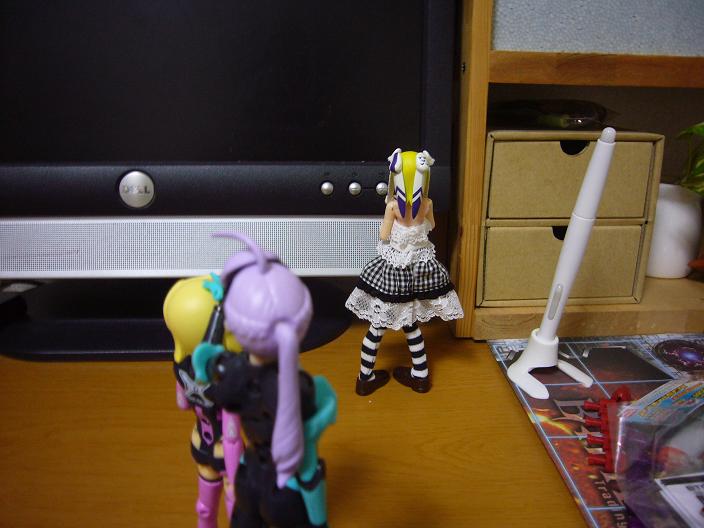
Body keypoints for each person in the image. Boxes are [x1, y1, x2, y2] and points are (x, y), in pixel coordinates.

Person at [193, 232, 336, 528]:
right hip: (287, 489)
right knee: (310, 472)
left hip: (248, 477)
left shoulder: (230, 373)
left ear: (232, 324)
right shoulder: (303, 388)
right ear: (303, 323)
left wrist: (214, 358)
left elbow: (205, 369)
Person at [345, 148, 464, 395]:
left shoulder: (393, 207)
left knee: (377, 325)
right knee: (411, 324)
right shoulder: (427, 204)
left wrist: (398, 236)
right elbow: (432, 226)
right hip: (419, 271)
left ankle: (364, 378)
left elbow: (384, 234)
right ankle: (420, 377)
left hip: (393, 271)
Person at [164, 276, 243, 528]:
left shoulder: (181, 371)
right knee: (234, 499)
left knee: (205, 507)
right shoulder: (225, 383)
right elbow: (232, 436)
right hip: (225, 452)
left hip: (199, 441)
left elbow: (183, 404)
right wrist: (235, 474)